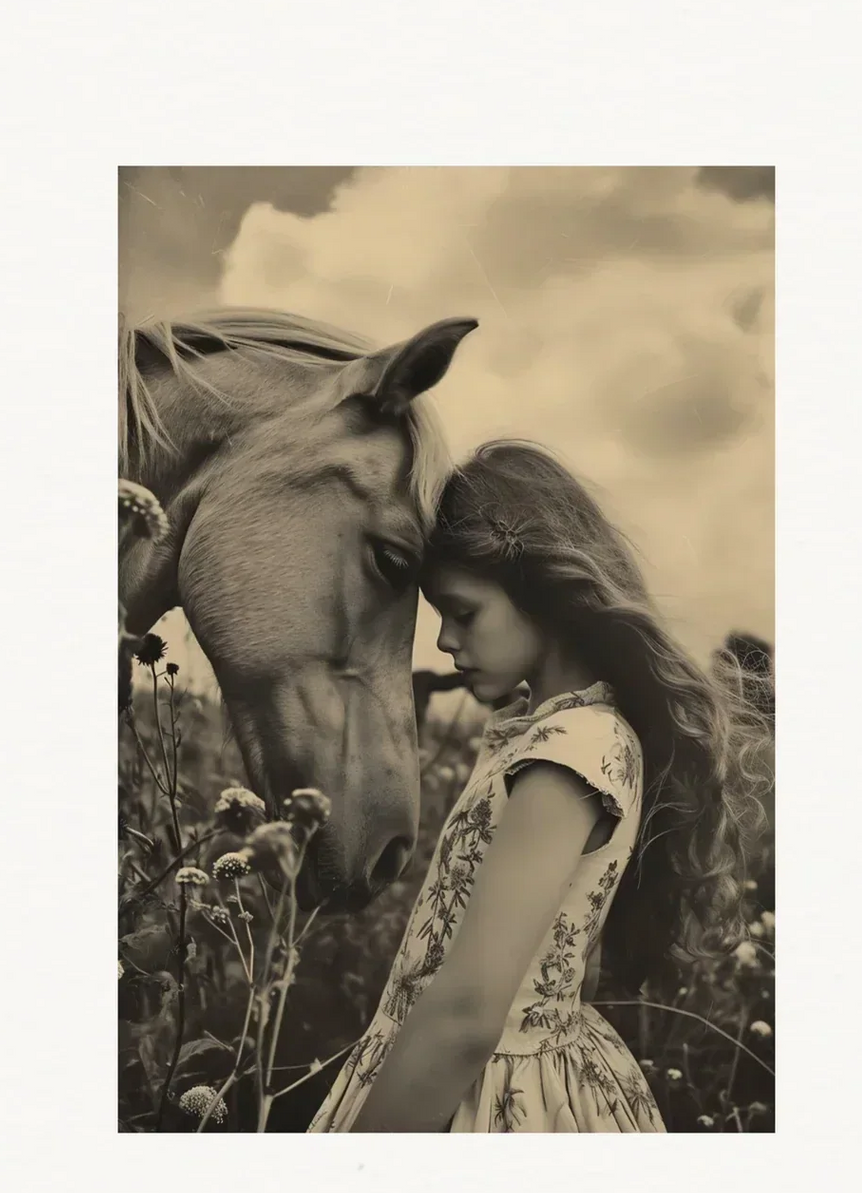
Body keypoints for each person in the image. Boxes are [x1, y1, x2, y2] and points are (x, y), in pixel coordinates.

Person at [308, 440, 772, 1133]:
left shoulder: (572, 749)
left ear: (546, 596)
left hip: (484, 1094)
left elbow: (465, 1019)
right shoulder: (570, 735)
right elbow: (563, 967)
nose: (443, 642)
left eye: (464, 613)